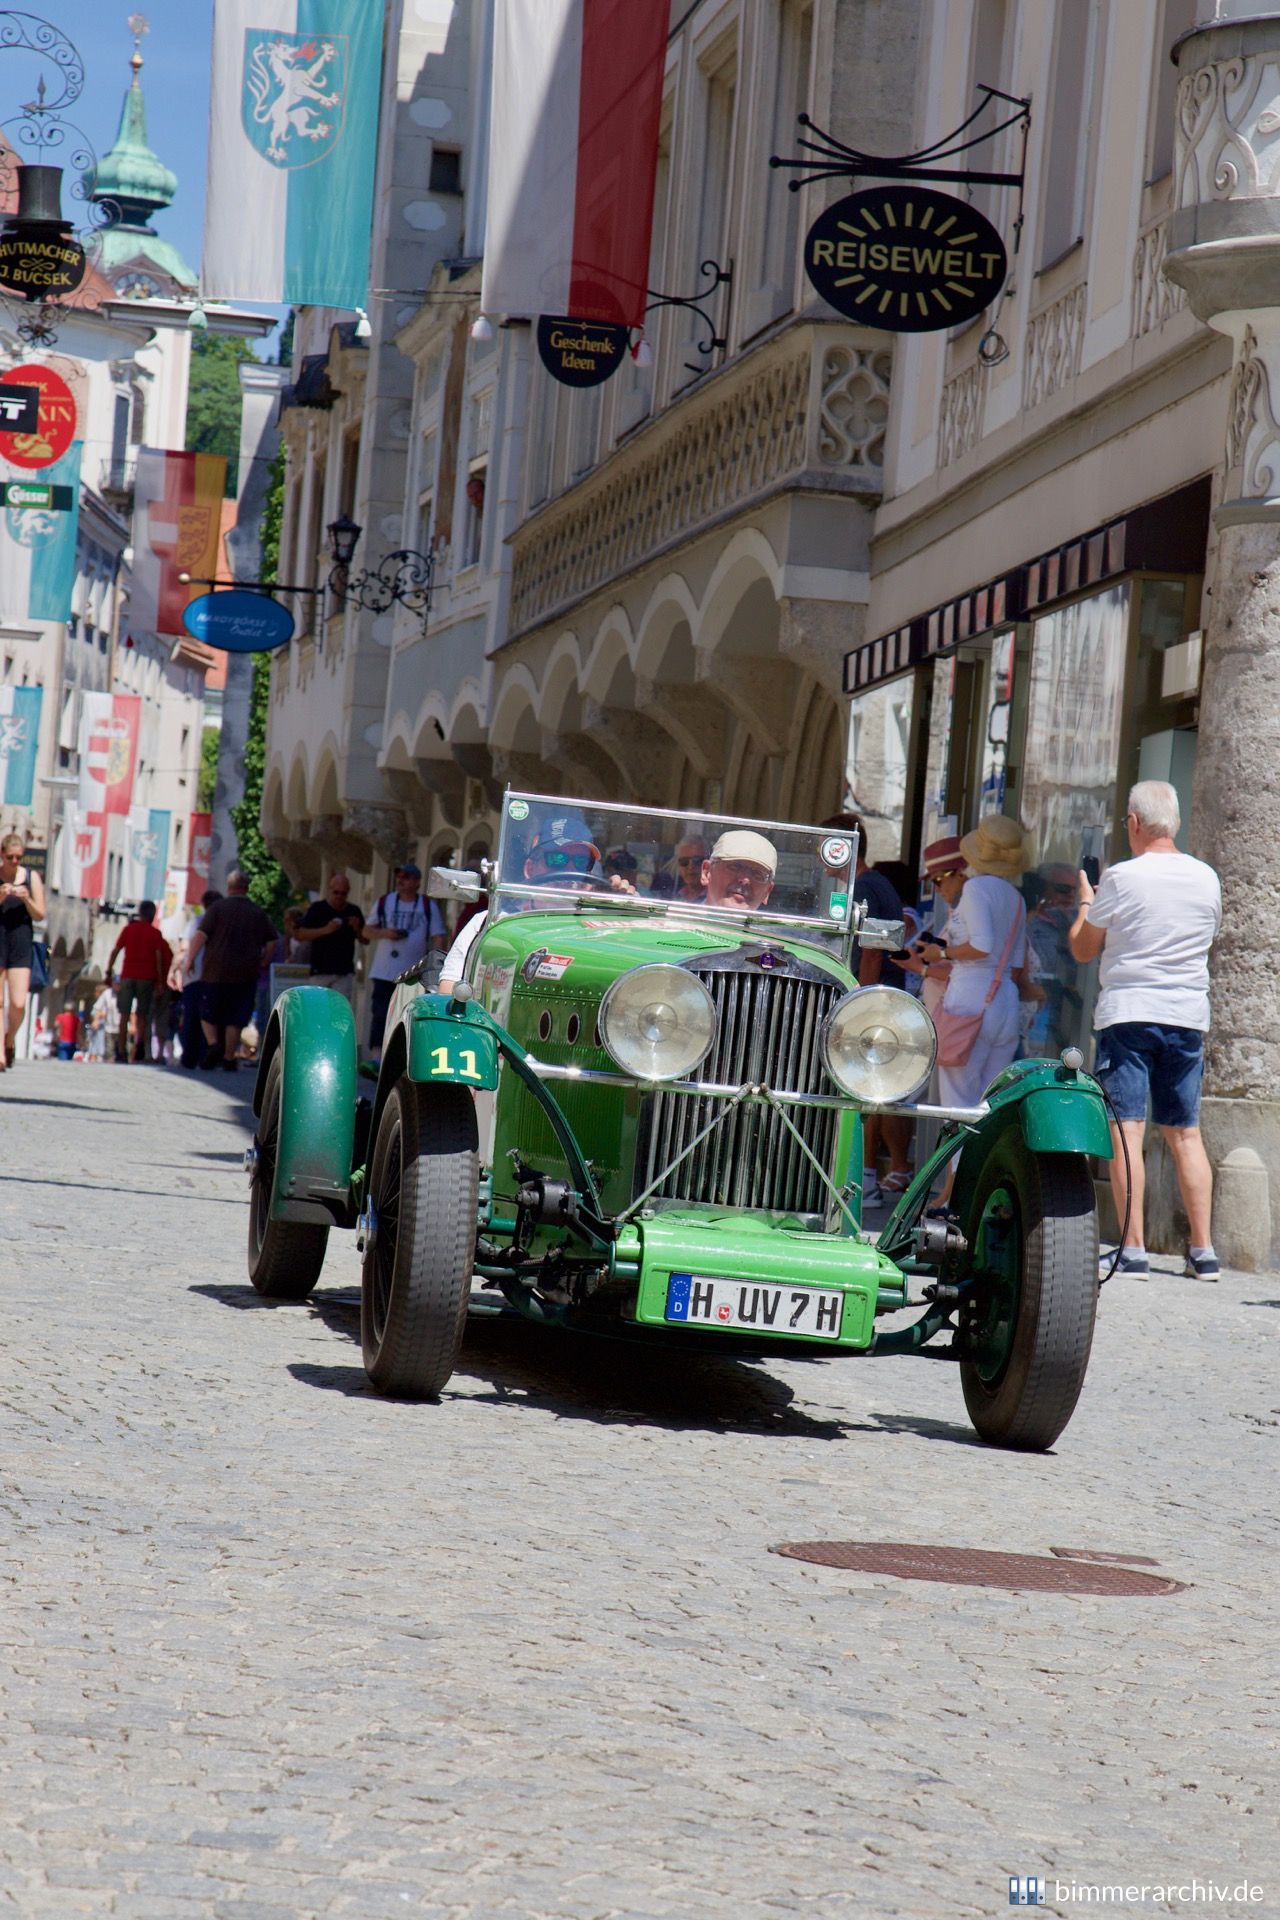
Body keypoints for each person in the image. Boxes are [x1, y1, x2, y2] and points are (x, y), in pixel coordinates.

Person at [1068, 779, 1222, 1281]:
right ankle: (1203, 1250)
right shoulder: (1206, 879)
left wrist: (1086, 903)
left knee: (1126, 1130)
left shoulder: (1123, 878)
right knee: (1185, 1134)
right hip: (1186, 1015)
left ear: (1134, 824)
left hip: (1130, 1012)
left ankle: (1132, 1249)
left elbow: (1084, 949)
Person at [826, 814, 911, 1200]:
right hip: (877, 993)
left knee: (865, 1087)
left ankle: (867, 1178)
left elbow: (872, 950)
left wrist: (857, 1001)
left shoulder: (867, 886)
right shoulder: (873, 883)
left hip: (873, 995)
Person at [932, 815, 1029, 1112]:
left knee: (958, 1103)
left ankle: (959, 1161)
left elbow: (981, 946)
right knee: (990, 1105)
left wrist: (945, 954)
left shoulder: (975, 889)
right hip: (1005, 999)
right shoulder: (1016, 897)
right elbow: (1015, 961)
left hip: (970, 997)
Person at [185, 870, 279, 1073]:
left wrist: (190, 960)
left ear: (229, 887)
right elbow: (272, 940)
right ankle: (228, 1057)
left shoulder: (217, 908)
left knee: (207, 1012)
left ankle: (213, 1044)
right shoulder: (257, 912)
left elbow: (200, 936)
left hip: (215, 971)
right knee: (235, 1017)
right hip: (245, 972)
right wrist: (264, 960)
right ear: (246, 888)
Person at [364, 863, 447, 1060]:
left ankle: (402, 1056)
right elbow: (366, 931)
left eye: (407, 877)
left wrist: (436, 965)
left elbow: (438, 936)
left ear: (417, 882)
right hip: (384, 971)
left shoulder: (427, 906)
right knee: (380, 1013)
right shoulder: (385, 902)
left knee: (408, 1013)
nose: (401, 881)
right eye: (399, 877)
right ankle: (377, 1057)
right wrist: (385, 933)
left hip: (413, 974)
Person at [0, 831, 46, 1069]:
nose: (15, 862)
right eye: (10, 857)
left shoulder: (31, 877)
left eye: (19, 857)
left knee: (18, 1003)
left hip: (20, 941)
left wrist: (26, 898)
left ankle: (9, 1039)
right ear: (2, 855)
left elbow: (40, 913)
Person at [106, 900, 171, 1064]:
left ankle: (121, 1051)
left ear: (140, 913)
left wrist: (108, 971)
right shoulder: (155, 934)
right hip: (146, 978)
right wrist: (160, 981)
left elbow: (116, 950)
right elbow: (158, 958)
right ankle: (138, 1047)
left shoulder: (129, 930)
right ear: (153, 915)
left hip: (128, 976)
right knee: (142, 1016)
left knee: (124, 1015)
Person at [294, 872, 366, 1002]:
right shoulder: (317, 909)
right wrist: (326, 930)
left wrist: (357, 929)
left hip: (344, 972)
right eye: (336, 892)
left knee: (339, 1011)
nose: (339, 896)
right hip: (320, 970)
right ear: (330, 890)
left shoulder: (354, 911)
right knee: (317, 1009)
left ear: (348, 892)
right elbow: (301, 934)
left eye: (343, 893)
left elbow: (365, 940)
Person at [173, 889, 222, 1068]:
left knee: (191, 1017)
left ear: (203, 904)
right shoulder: (222, 924)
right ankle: (205, 1055)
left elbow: (184, 949)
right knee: (210, 1018)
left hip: (193, 976)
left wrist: (176, 969)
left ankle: (188, 1057)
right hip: (215, 977)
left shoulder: (196, 922)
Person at [701, 830, 776, 910]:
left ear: (767, 892)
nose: (745, 880)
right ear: (707, 872)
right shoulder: (686, 920)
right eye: (734, 867)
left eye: (758, 875)